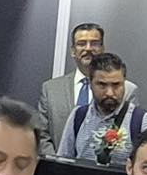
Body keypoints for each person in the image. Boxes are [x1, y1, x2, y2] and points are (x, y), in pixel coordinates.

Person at [54, 52, 147, 167]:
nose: (110, 92)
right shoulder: (78, 116)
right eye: (102, 85)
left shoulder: (143, 122)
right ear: (90, 84)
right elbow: (62, 164)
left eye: (116, 85)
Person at [39, 23, 116, 153]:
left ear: (102, 48)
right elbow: (42, 135)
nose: (88, 48)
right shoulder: (51, 89)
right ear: (73, 51)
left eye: (94, 43)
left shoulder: (121, 90)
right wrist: (56, 162)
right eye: (81, 43)